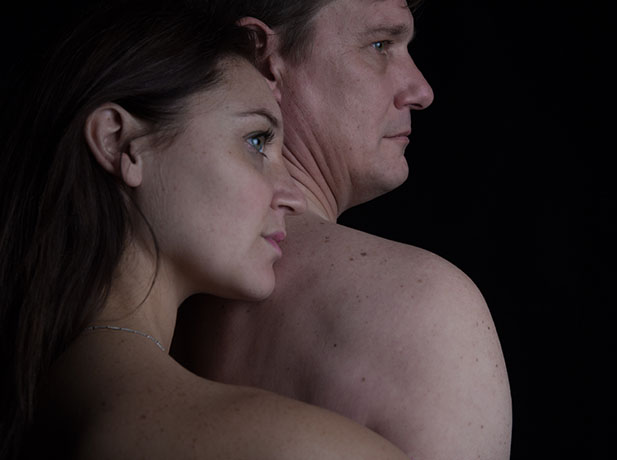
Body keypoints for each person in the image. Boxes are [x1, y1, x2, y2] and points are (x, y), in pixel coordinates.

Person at [0, 1, 413, 458]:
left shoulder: (43, 402)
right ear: (120, 143)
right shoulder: (302, 448)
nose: (292, 194)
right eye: (256, 141)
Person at [171, 1, 513, 459]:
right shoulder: (426, 307)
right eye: (379, 45)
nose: (421, 89)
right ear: (262, 57)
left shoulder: (149, 274)